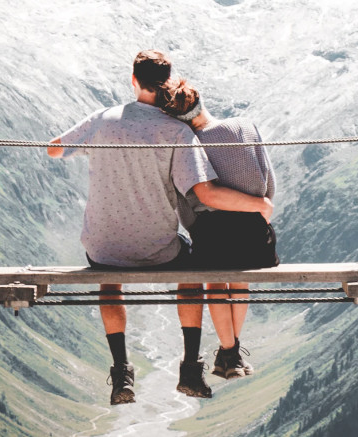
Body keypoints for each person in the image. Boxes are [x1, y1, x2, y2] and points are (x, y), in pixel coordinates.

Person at [47, 50, 273, 405]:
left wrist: (100, 148)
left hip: (102, 246)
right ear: (167, 82)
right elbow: (205, 192)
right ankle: (190, 368)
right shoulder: (176, 131)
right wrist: (259, 205)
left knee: (108, 276)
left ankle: (121, 371)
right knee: (193, 268)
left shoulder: (103, 119)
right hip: (159, 249)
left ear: (133, 80)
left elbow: (54, 150)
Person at [161, 79, 279, 380]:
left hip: (212, 234)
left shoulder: (189, 144)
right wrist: (258, 208)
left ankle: (229, 352)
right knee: (239, 282)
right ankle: (231, 352)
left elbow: (188, 202)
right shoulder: (245, 127)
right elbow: (269, 184)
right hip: (255, 235)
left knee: (215, 282)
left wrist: (195, 227)